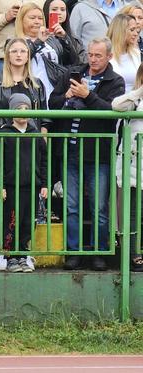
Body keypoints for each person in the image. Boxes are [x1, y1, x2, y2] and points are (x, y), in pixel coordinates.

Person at [48, 37, 125, 271]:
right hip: (70, 150)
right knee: (71, 206)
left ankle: (99, 253)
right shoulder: (73, 73)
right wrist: (68, 97)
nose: (92, 59)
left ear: (109, 56)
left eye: (98, 55)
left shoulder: (116, 81)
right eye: (90, 54)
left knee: (99, 207)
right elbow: (53, 102)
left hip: (98, 154)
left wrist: (86, 96)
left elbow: (111, 112)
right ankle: (73, 252)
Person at [0, 38, 50, 271]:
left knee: (29, 205)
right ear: (6, 55)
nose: (18, 54)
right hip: (2, 146)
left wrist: (43, 142)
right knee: (2, 201)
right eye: (14, 51)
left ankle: (22, 251)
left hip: (30, 149)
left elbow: (44, 119)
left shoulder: (36, 85)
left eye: (23, 51)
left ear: (29, 55)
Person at [0, 94, 48, 273]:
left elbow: (44, 161)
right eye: (18, 109)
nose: (22, 113)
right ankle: (10, 256)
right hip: (12, 187)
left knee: (27, 222)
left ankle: (23, 254)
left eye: (26, 109)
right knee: (11, 222)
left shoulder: (36, 135)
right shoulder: (3, 133)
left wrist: (44, 183)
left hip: (31, 187)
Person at [112, 63, 143, 272]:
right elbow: (116, 106)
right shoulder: (135, 99)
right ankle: (134, 254)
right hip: (133, 164)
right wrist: (139, 91)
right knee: (131, 213)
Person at [15, 2, 75, 102]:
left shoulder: (51, 40)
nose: (37, 21)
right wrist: (39, 42)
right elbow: (21, 58)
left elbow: (72, 61)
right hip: (28, 90)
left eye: (40, 18)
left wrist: (64, 39)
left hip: (53, 89)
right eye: (32, 18)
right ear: (21, 20)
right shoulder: (15, 42)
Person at [0, 0, 45, 74]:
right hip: (3, 58)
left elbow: (48, 18)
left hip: (39, 57)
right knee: (4, 85)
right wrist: (5, 17)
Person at [42, 0, 87, 66]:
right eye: (54, 9)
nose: (59, 13)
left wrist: (65, 38)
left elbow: (80, 62)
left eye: (63, 10)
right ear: (46, 11)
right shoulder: (40, 37)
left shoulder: (74, 39)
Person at [106, 13, 141, 93]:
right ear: (120, 31)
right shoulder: (106, 55)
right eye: (132, 30)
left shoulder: (136, 53)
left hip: (134, 102)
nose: (136, 34)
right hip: (113, 102)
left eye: (137, 30)